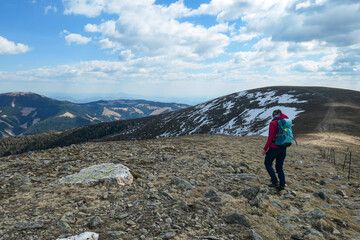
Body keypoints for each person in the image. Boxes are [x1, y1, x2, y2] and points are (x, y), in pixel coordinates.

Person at [262, 109, 289, 190]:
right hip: (283, 148)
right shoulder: (285, 123)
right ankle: (282, 185)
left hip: (274, 148)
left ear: (273, 115)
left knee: (267, 163)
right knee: (279, 167)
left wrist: (265, 149)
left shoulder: (273, 123)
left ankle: (274, 181)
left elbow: (270, 137)